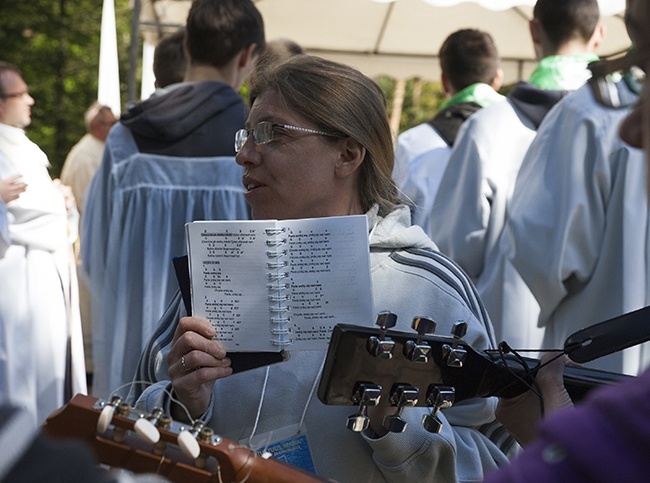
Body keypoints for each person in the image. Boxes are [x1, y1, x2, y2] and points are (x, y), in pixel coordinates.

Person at [130, 54, 511, 482]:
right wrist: (183, 402)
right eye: (246, 136)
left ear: (347, 154)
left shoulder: (427, 288)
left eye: (272, 133)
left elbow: (499, 457)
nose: (245, 156)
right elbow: (130, 421)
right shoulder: (220, 272)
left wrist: (396, 423)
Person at [81, 0, 264, 398]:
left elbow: (94, 254)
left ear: (186, 48)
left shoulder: (126, 135)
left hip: (134, 336)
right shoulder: (255, 142)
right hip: (220, 355)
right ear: (249, 56)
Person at [430, 0, 605, 353]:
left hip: (509, 351)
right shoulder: (629, 126)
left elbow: (455, 253)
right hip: (611, 358)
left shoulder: (487, 128)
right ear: (599, 35)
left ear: (533, 30)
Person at [497, 55, 647, 373]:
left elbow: (543, 253)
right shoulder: (591, 112)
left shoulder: (589, 112)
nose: (634, 133)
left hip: (600, 363)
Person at [0, 61, 86, 425]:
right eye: (21, 94)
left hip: (43, 278)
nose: (31, 100)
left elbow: (41, 208)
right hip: (15, 280)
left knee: (46, 368)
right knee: (17, 369)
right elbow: (23, 213)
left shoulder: (26, 147)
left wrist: (61, 202)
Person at [393, 28, 504, 235]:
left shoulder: (411, 144)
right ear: (498, 78)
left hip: (429, 264)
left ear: (444, 81)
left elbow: (393, 223)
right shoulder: (525, 133)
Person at [60, 102, 116, 388]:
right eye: (110, 122)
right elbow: (90, 208)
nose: (116, 126)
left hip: (97, 248)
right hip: (87, 248)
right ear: (97, 126)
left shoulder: (99, 150)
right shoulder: (86, 156)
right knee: (89, 320)